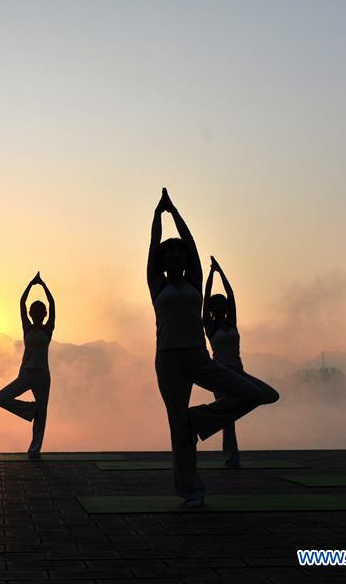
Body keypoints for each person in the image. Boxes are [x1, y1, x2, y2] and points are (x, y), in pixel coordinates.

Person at [147, 188, 275, 506]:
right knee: (178, 431)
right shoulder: (156, 283)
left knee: (252, 394)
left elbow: (191, 245)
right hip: (168, 360)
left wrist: (175, 213)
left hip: (198, 357)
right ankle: (191, 492)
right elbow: (152, 249)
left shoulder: (193, 282)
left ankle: (199, 421)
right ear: (163, 261)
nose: (176, 257)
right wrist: (157, 216)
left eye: (179, 254)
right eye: (170, 254)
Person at [203, 256, 280, 467]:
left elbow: (232, 295)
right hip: (220, 373)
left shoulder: (232, 323)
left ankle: (213, 414)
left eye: (222, 305)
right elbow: (205, 298)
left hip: (238, 371)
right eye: (216, 305)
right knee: (228, 421)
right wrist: (210, 275)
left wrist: (220, 272)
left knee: (270, 395)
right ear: (211, 308)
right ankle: (231, 458)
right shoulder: (209, 326)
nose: (220, 307)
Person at [0, 272, 55, 458]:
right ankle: (30, 409)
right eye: (34, 312)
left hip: (42, 374)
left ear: (43, 314)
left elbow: (53, 305)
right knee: (0, 398)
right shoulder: (27, 327)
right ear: (31, 314)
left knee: (42, 415)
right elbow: (21, 303)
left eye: (40, 312)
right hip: (26, 373)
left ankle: (34, 450)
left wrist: (43, 286)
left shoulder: (47, 328)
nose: (37, 314)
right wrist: (30, 285)